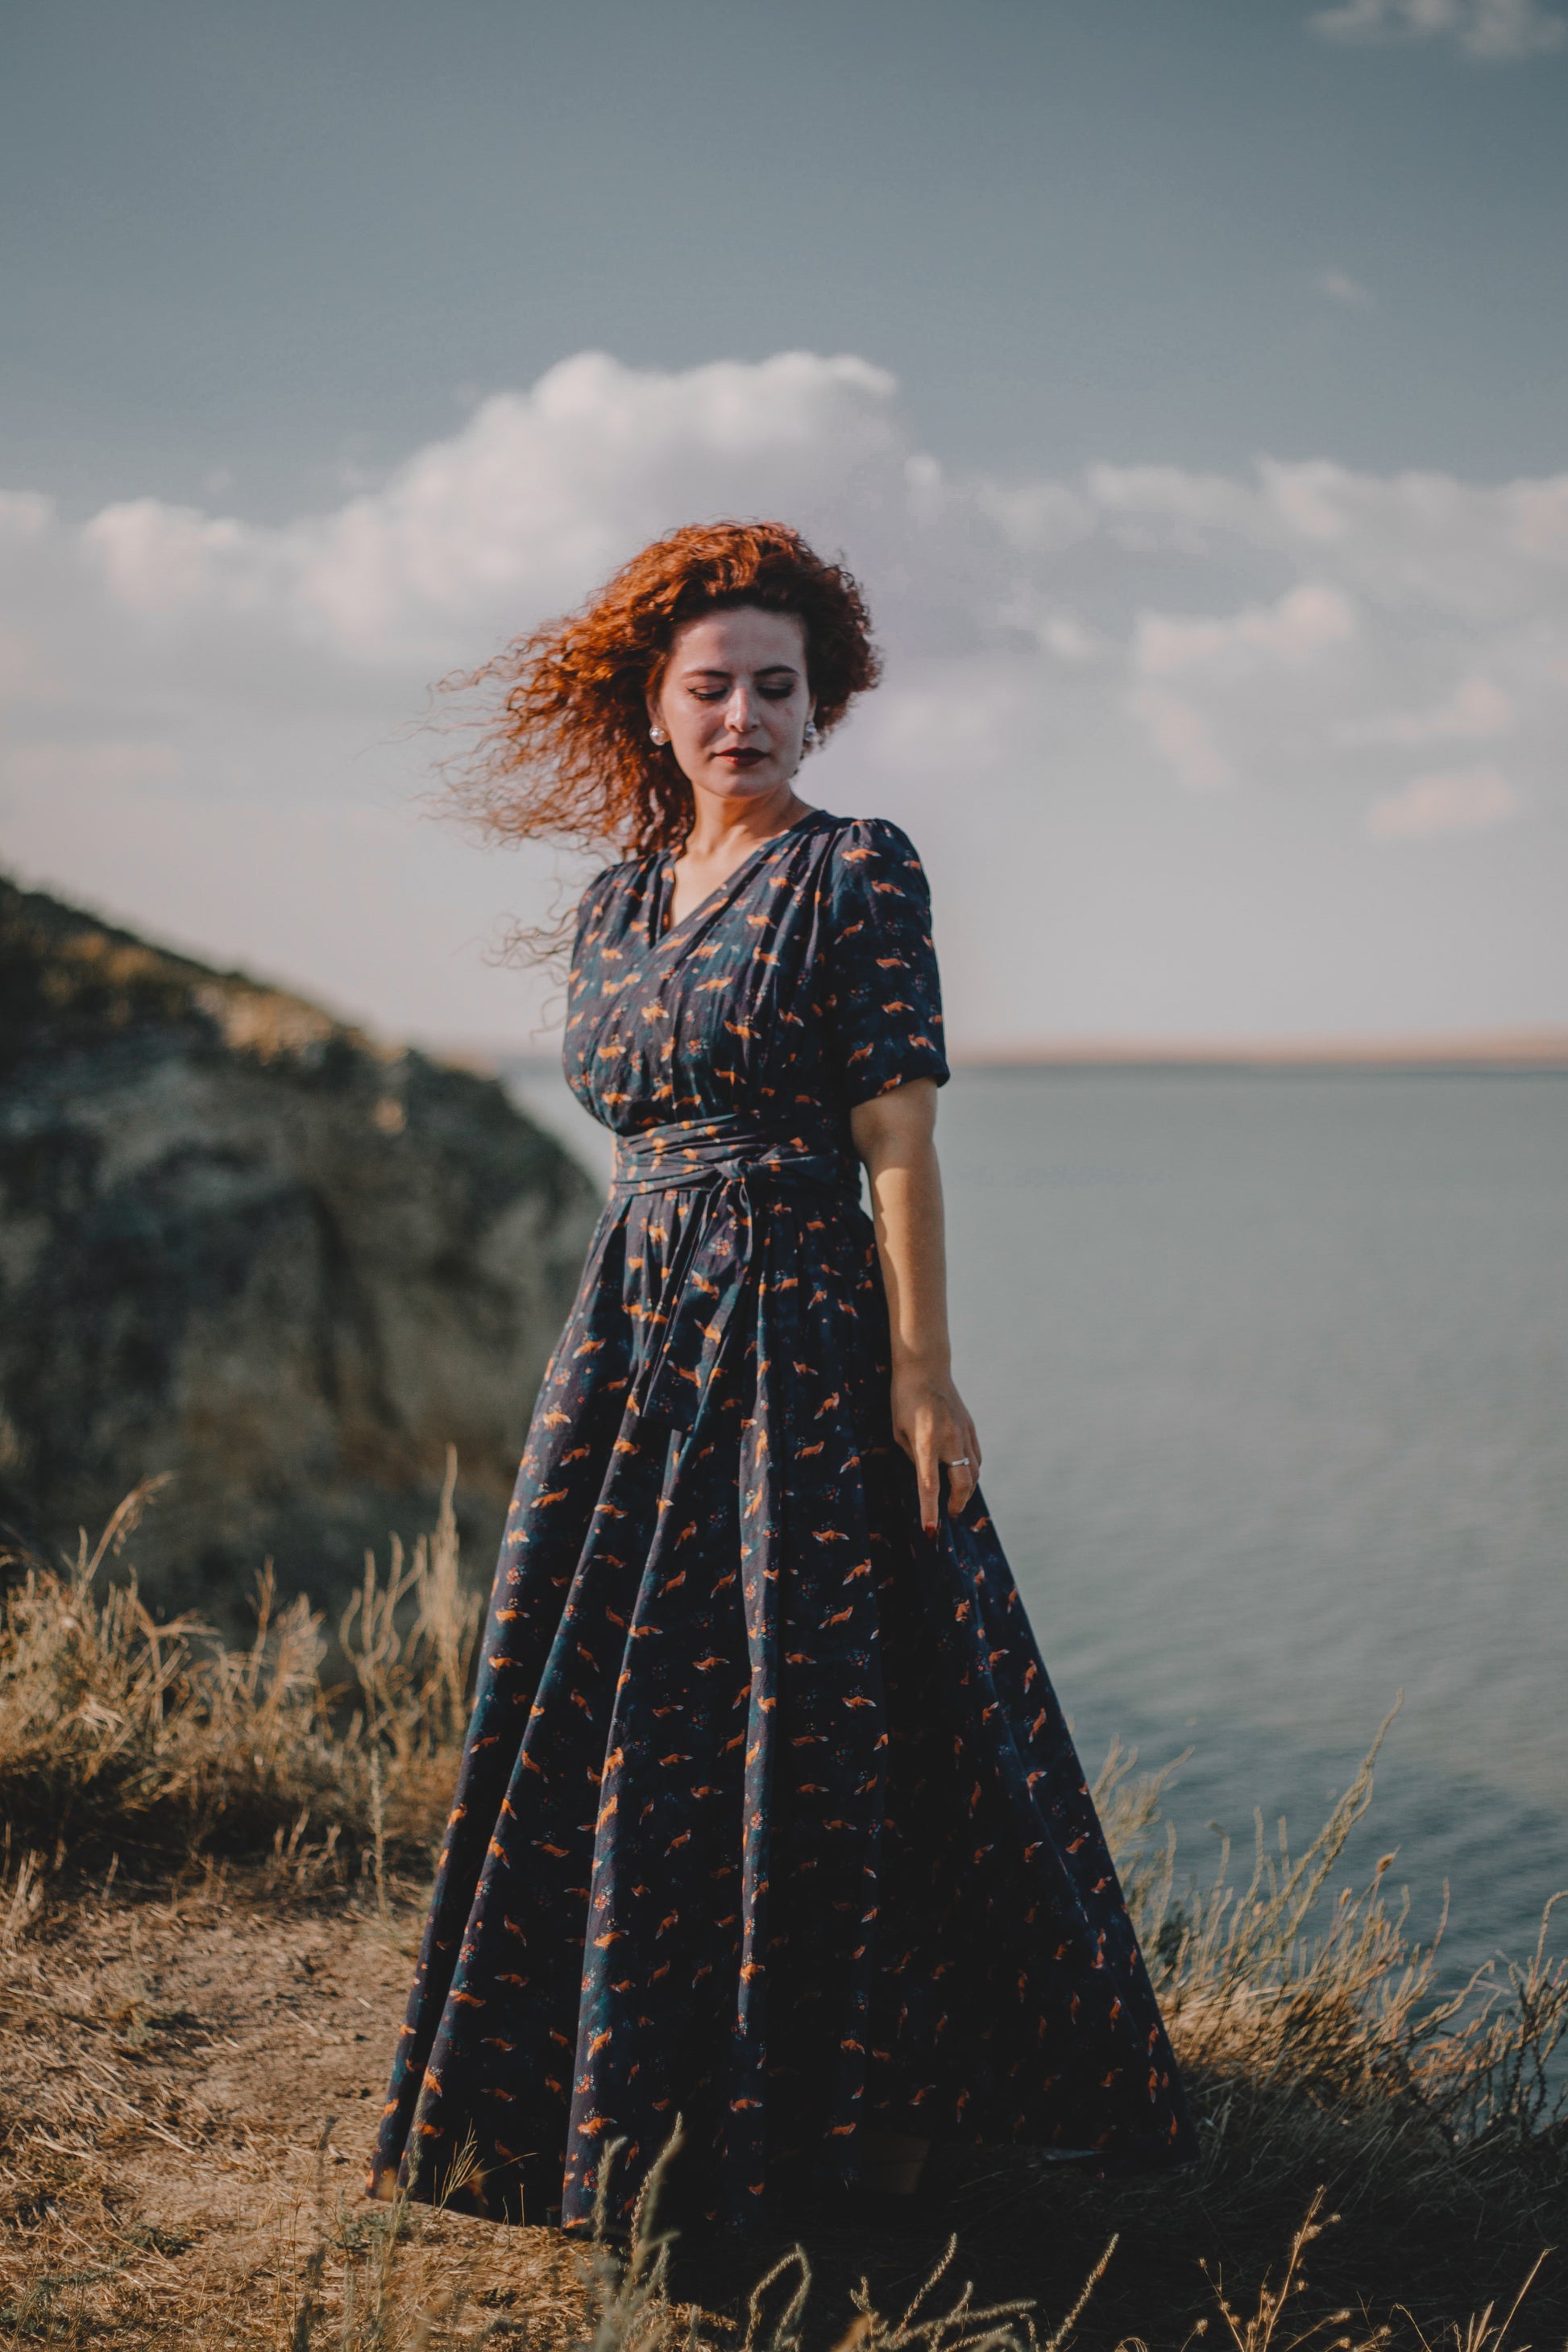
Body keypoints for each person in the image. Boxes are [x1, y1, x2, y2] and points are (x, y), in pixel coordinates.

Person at [369, 520, 1195, 2237]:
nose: (741, 713)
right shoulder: (609, 899)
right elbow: (633, 1122)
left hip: (799, 1323)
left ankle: (860, 2117)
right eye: (711, 686)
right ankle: (606, 2096)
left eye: (775, 686)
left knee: (815, 1713)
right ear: (654, 707)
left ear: (821, 708)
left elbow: (896, 1140)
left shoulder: (857, 870)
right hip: (629, 1330)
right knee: (612, 1708)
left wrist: (925, 1375)